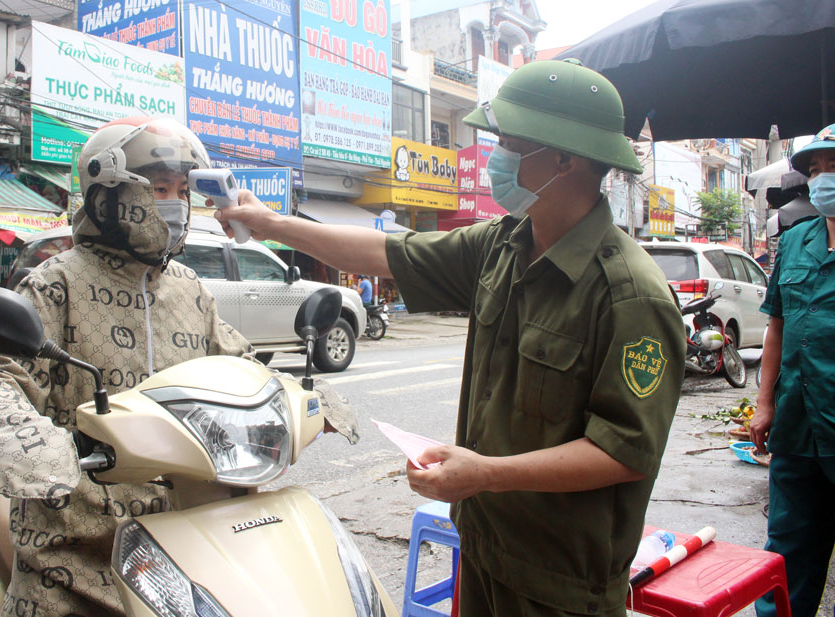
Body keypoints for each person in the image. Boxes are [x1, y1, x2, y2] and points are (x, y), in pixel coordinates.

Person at [216, 58, 685, 617]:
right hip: (485, 547)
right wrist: (272, 225)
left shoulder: (630, 296)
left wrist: (485, 473)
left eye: (510, 143)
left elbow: (623, 453)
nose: (496, 159)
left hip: (559, 583)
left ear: (565, 158)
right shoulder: (503, 243)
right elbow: (388, 253)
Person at [0, 116, 255, 616]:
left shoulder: (189, 289)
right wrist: (23, 434)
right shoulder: (55, 284)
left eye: (182, 190)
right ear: (108, 197)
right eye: (159, 188)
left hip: (188, 529)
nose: (175, 203)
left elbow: (240, 364)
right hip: (76, 541)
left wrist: (294, 398)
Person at [751, 124, 835, 617]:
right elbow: (776, 326)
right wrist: (765, 404)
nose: (823, 179)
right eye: (816, 170)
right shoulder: (798, 240)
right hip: (798, 430)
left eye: (834, 167)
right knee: (786, 560)